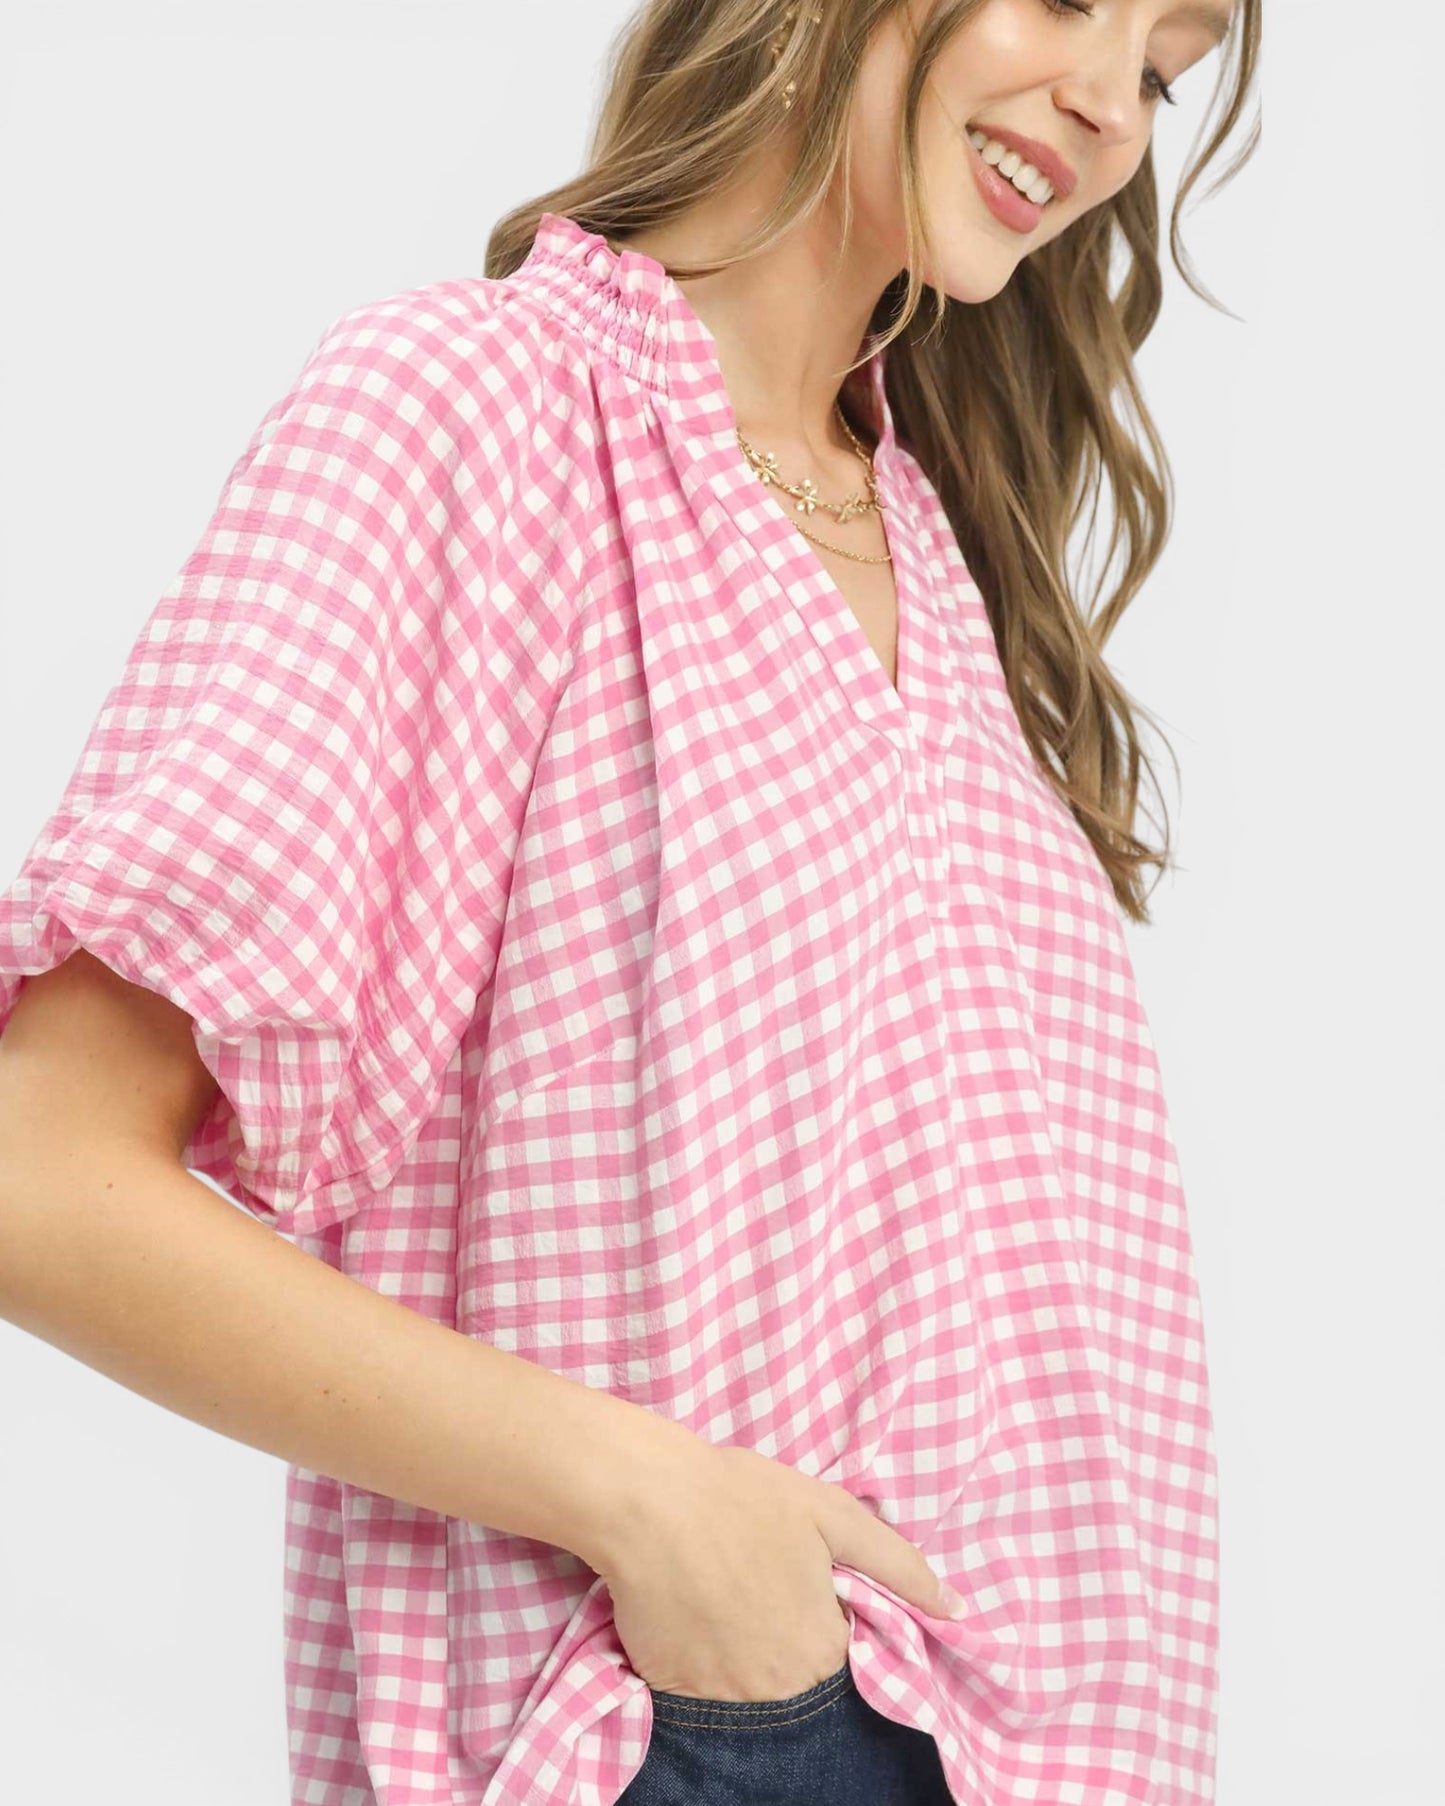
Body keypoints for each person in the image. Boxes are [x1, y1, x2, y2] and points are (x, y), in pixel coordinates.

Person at [0, 0, 1258, 1801]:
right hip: (689, 1719)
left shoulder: (929, 537)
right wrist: (656, 1505)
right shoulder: (473, 412)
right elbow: (36, 1178)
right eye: (1067, 2)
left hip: (1036, 1738)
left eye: (1163, 67)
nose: (1107, 105)